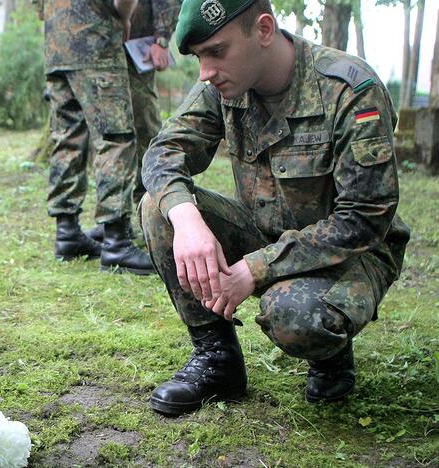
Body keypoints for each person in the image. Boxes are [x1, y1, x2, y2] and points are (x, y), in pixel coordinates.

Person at [138, 0, 410, 416]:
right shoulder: (222, 85)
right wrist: (186, 216)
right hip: (264, 231)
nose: (205, 71)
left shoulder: (349, 90)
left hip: (351, 254)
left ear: (264, 30)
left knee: (294, 315)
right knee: (160, 209)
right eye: (199, 56)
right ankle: (218, 360)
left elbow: (363, 218)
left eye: (217, 51)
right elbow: (165, 151)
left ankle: (330, 354)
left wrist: (252, 269)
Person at [38, 0, 154, 275]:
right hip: (96, 41)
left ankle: (66, 233)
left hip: (57, 46)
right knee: (116, 136)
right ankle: (116, 241)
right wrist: (123, 18)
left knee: (68, 136)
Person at [86, 0, 182, 245]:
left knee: (144, 130)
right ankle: (114, 220)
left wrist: (162, 39)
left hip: (135, 46)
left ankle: (150, 215)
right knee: (109, 133)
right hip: (101, 44)